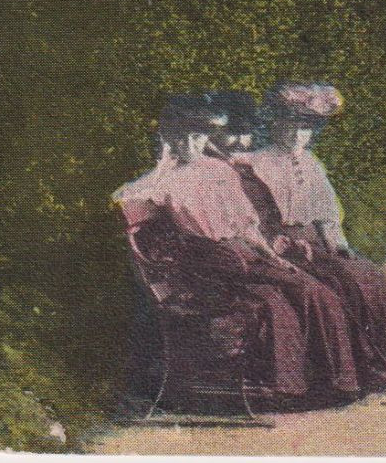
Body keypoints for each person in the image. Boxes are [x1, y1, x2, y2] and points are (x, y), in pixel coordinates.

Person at [122, 93, 363, 403]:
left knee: (310, 289)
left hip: (241, 255)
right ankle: (301, 386)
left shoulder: (219, 171)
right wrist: (161, 164)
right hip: (205, 264)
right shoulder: (164, 181)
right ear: (169, 139)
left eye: (197, 137)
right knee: (294, 291)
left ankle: (333, 380)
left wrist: (272, 256)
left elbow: (247, 226)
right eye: (181, 138)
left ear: (205, 138)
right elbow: (127, 199)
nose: (190, 145)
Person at [236, 83, 386, 389]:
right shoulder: (254, 164)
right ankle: (354, 371)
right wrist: (278, 243)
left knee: (367, 275)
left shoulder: (311, 164)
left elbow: (327, 212)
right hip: (285, 245)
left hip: (317, 242)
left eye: (305, 129)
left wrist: (336, 243)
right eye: (290, 128)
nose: (297, 137)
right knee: (339, 285)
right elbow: (254, 217)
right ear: (275, 126)